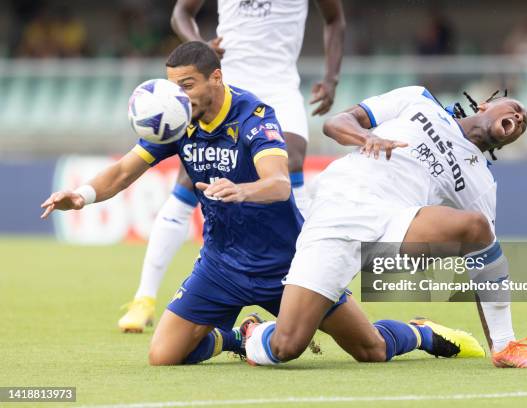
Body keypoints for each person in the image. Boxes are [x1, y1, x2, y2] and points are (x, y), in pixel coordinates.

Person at [41, 42, 484, 366]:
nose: (180, 96)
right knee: (164, 354)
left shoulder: (254, 117)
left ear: (217, 77)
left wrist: (241, 189)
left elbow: (277, 185)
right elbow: (122, 171)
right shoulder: (176, 122)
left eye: (188, 85)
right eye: (174, 86)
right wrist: (82, 195)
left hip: (288, 265)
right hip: (220, 264)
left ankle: (424, 333)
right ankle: (239, 337)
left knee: (370, 350)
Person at [244, 86, 527, 369]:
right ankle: (249, 334)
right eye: (514, 108)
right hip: (339, 210)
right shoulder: (419, 100)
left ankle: (505, 347)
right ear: (485, 105)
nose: (518, 117)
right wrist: (366, 138)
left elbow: (486, 263)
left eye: (523, 121)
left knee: (477, 227)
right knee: (296, 347)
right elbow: (336, 123)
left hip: (393, 225)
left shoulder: (482, 183)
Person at [118, 0, 346, 333]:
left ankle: (304, 285)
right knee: (187, 182)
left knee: (290, 164)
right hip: (221, 84)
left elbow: (335, 19)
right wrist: (198, 45)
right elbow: (181, 13)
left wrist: (331, 78)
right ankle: (144, 298)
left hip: (280, 87)